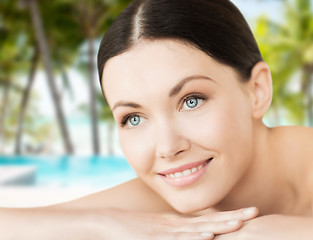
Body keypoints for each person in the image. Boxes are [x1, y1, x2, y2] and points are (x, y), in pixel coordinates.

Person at [1, 0, 313, 239]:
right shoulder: (165, 198)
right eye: (133, 118)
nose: (167, 147)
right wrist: (102, 224)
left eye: (191, 101)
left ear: (257, 91)